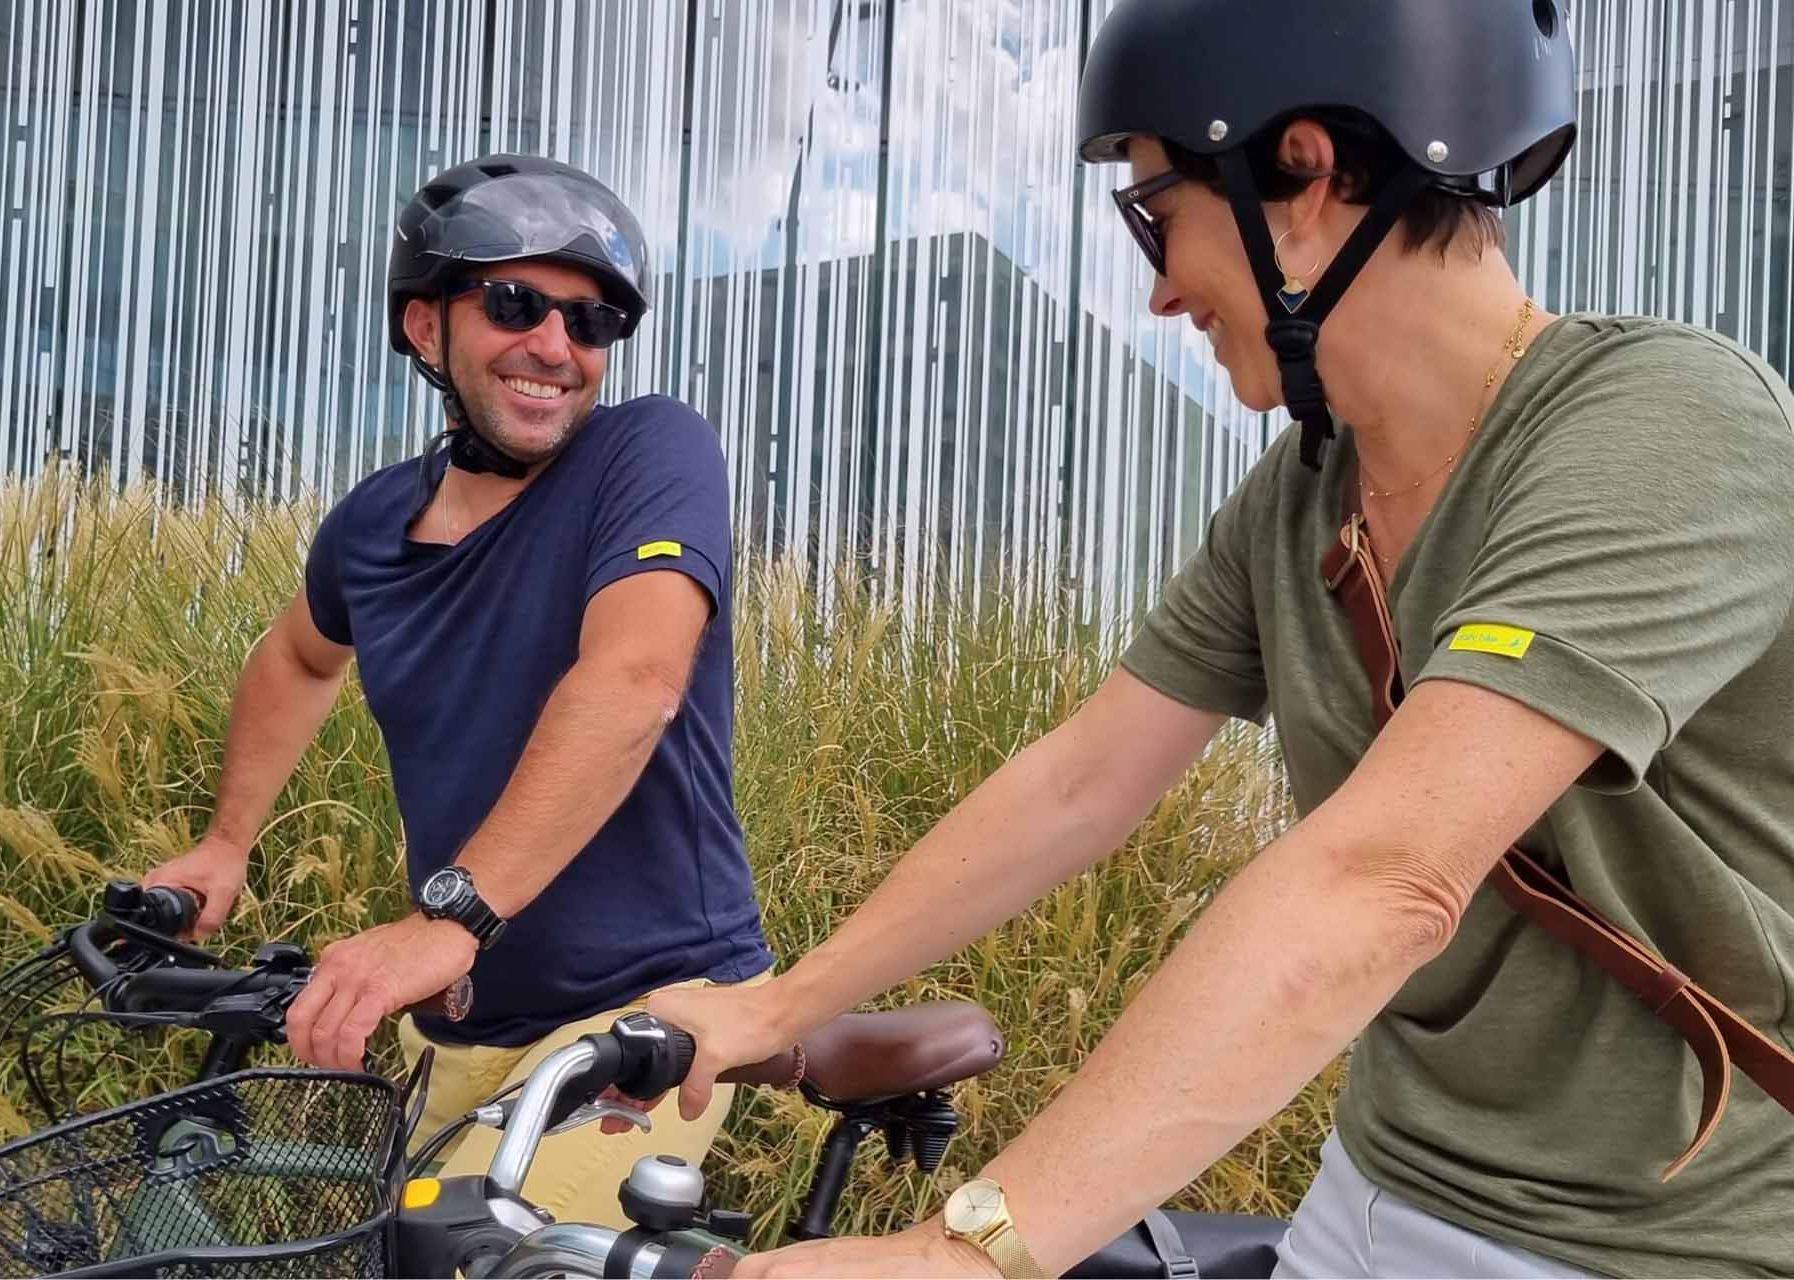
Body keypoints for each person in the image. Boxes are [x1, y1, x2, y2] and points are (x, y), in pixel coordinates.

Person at [641, 3, 1794, 1276]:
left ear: (1303, 174)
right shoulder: (1304, 495)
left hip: (1646, 1241)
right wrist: (778, 1003)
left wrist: (966, 1253)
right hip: (1379, 1181)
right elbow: (1084, 781)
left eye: (1156, 214)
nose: (1156, 288)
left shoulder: (1666, 423)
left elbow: (1385, 879)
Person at [144, 153, 774, 1229]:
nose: (556, 347)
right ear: (425, 327)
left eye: (592, 322)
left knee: (478, 1259)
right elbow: (297, 656)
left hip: (647, 1015)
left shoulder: (647, 453)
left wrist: (454, 914)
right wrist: (225, 843)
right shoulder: (373, 528)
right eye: (516, 304)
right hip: (461, 1025)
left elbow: (634, 679)